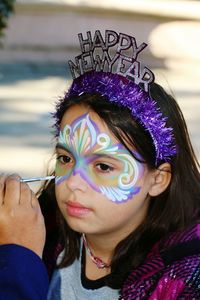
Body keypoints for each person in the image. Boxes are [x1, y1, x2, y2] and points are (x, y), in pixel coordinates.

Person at [0, 29, 200, 299]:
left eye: (104, 166)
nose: (72, 181)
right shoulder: (44, 231)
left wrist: (18, 258)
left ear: (158, 179)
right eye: (65, 158)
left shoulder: (184, 279)